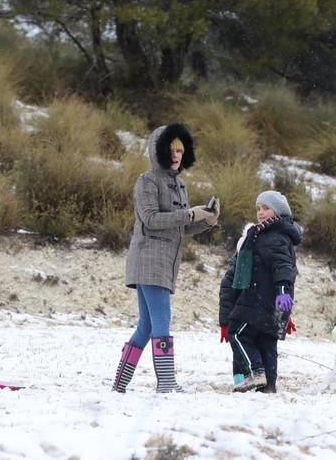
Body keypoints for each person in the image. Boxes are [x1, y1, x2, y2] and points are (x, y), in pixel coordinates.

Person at [112, 122, 219, 393]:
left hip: (167, 262)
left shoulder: (180, 184)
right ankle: (167, 383)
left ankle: (119, 385)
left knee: (146, 326)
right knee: (161, 320)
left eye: (180, 150)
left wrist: (207, 220)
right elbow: (150, 219)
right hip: (149, 259)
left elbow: (181, 226)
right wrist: (189, 214)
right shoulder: (146, 181)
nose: (176, 155)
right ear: (158, 151)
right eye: (170, 150)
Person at [218, 190, 302, 393]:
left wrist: (283, 293)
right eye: (258, 208)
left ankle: (255, 372)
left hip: (258, 299)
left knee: (237, 333)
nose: (261, 212)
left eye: (266, 208)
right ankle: (269, 385)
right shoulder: (266, 236)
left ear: (279, 212)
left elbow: (283, 268)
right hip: (269, 302)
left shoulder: (272, 237)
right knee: (266, 342)